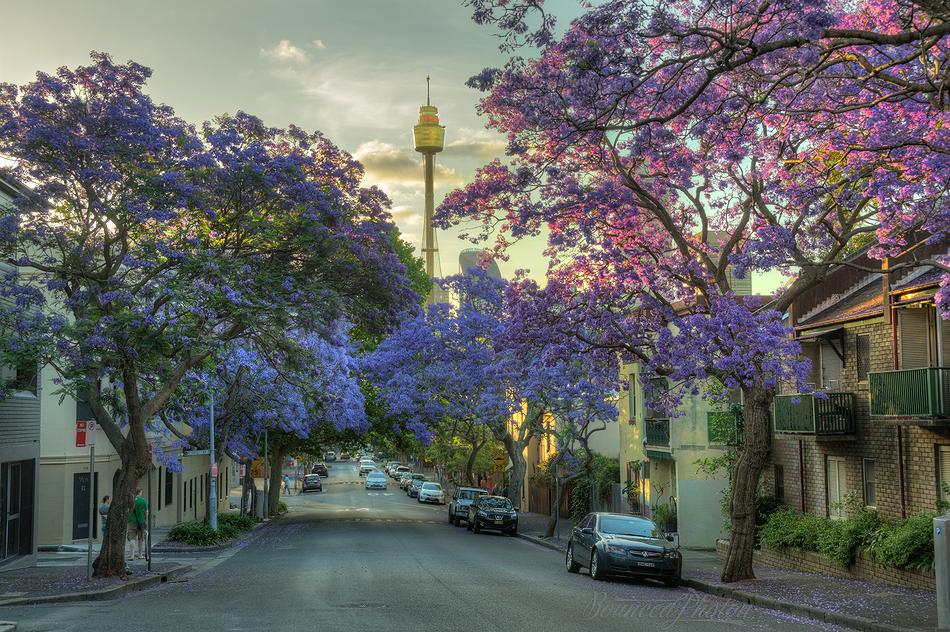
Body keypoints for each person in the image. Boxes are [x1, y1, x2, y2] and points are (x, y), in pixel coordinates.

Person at [127, 488, 148, 560]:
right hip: (141, 521)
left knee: (132, 539)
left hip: (132, 522)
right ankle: (140, 555)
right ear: (140, 492)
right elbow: (146, 512)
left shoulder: (130, 501)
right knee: (140, 539)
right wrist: (144, 519)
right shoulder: (143, 500)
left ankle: (132, 556)